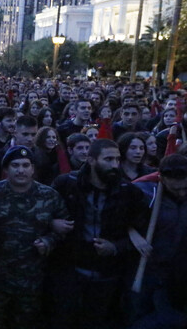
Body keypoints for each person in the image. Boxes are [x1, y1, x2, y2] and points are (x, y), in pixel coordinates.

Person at [50, 139, 149, 329]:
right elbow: (44, 211)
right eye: (108, 159)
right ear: (91, 160)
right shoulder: (67, 184)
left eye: (117, 160)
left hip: (108, 275)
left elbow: (142, 231)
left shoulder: (129, 193)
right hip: (69, 270)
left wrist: (115, 247)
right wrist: (52, 222)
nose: (114, 165)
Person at [0, 146, 69, 329]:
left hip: (31, 279)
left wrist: (49, 240)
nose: (21, 170)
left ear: (33, 168)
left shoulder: (49, 196)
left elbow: (65, 228)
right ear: (6, 169)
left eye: (25, 165)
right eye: (15, 165)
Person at [129, 154, 187, 329]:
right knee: (140, 313)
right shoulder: (145, 193)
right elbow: (120, 220)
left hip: (178, 269)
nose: (182, 193)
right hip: (146, 266)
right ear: (162, 179)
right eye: (176, 189)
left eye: (185, 187)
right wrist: (134, 235)